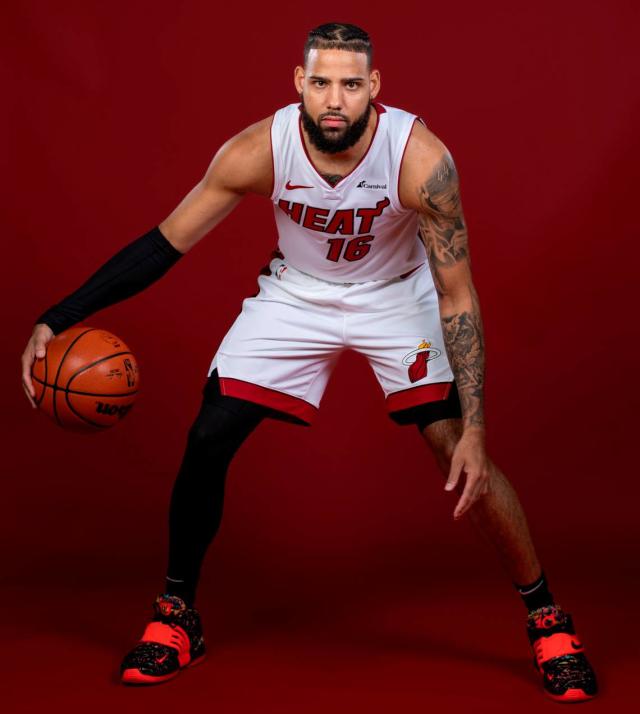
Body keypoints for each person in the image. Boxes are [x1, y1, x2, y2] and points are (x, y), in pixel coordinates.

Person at [21, 23, 597, 702]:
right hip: (298, 292)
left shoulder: (420, 161)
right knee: (208, 437)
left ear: (373, 89)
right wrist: (59, 316)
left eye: (351, 84)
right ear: (299, 82)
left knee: (452, 448)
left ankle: (546, 617)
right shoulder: (258, 150)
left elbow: (457, 295)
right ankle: (176, 615)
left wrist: (474, 425)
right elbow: (165, 243)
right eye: (321, 81)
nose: (334, 99)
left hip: (396, 295)